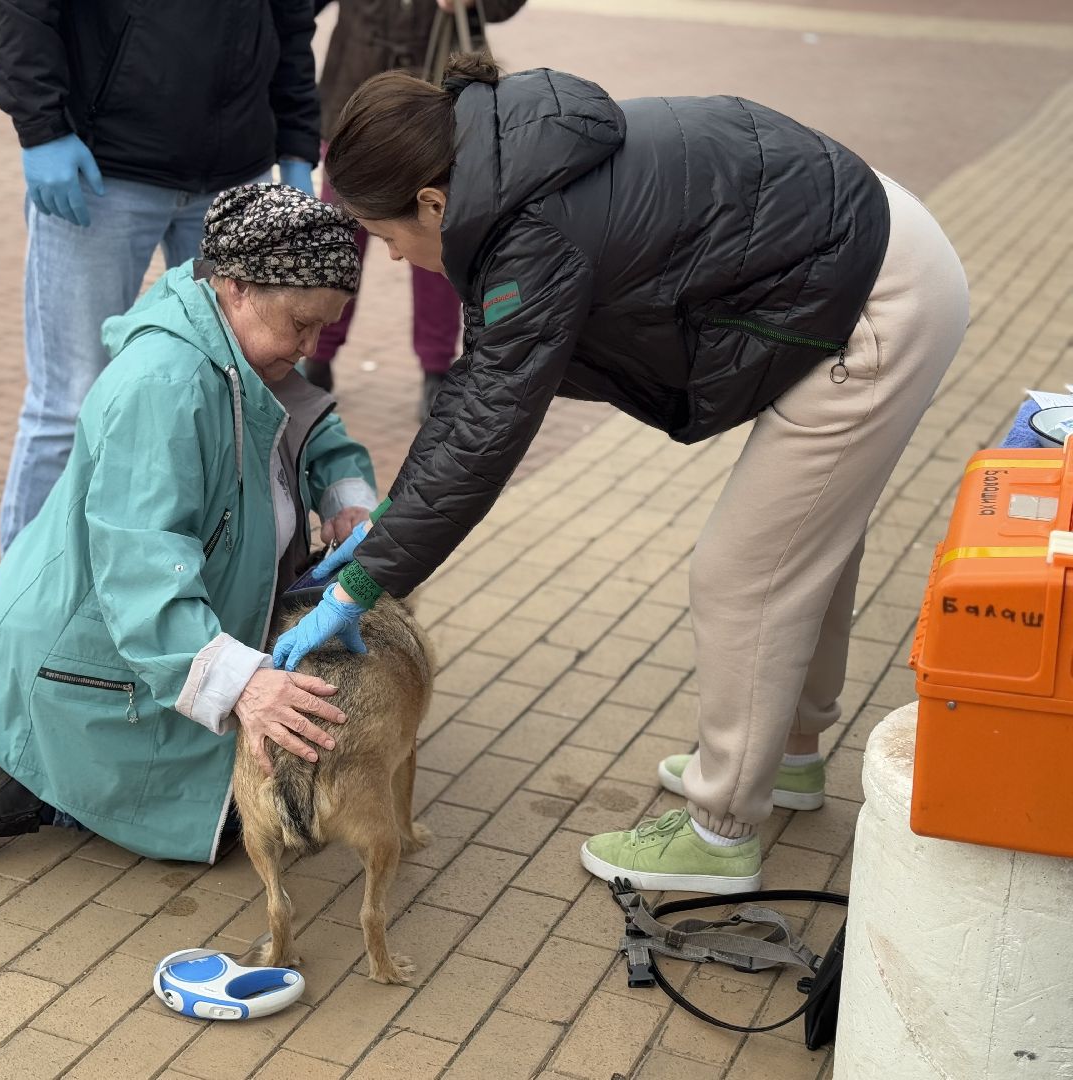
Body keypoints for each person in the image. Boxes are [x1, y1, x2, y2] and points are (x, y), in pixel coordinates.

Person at [273, 56, 969, 894]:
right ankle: (785, 754)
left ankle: (720, 834)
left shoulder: (532, 231)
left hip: (871, 300)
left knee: (746, 573)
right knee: (806, 549)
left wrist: (362, 586)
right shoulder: (507, 166)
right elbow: (477, 394)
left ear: (431, 202)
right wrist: (389, 529)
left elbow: (490, 423)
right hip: (852, 253)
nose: (390, 258)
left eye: (385, 238)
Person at [0, 186, 379, 866]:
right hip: (97, 645)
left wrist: (344, 493)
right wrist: (245, 687)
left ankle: (8, 716)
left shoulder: (241, 339)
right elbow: (141, 577)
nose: (311, 346)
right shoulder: (162, 386)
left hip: (126, 629)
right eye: (301, 326)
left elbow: (313, 423)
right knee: (246, 822)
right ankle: (41, 772)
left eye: (324, 327)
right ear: (236, 286)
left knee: (279, 786)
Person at [0, 0, 322, 553]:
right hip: (103, 172)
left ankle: (193, 590)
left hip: (234, 180)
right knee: (68, 401)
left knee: (231, 399)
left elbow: (289, 19)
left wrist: (295, 146)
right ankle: (23, 611)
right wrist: (41, 127)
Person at [303, 0, 524, 418]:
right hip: (351, 106)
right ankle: (318, 354)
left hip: (435, 112)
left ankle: (436, 368)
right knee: (339, 237)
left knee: (435, 236)